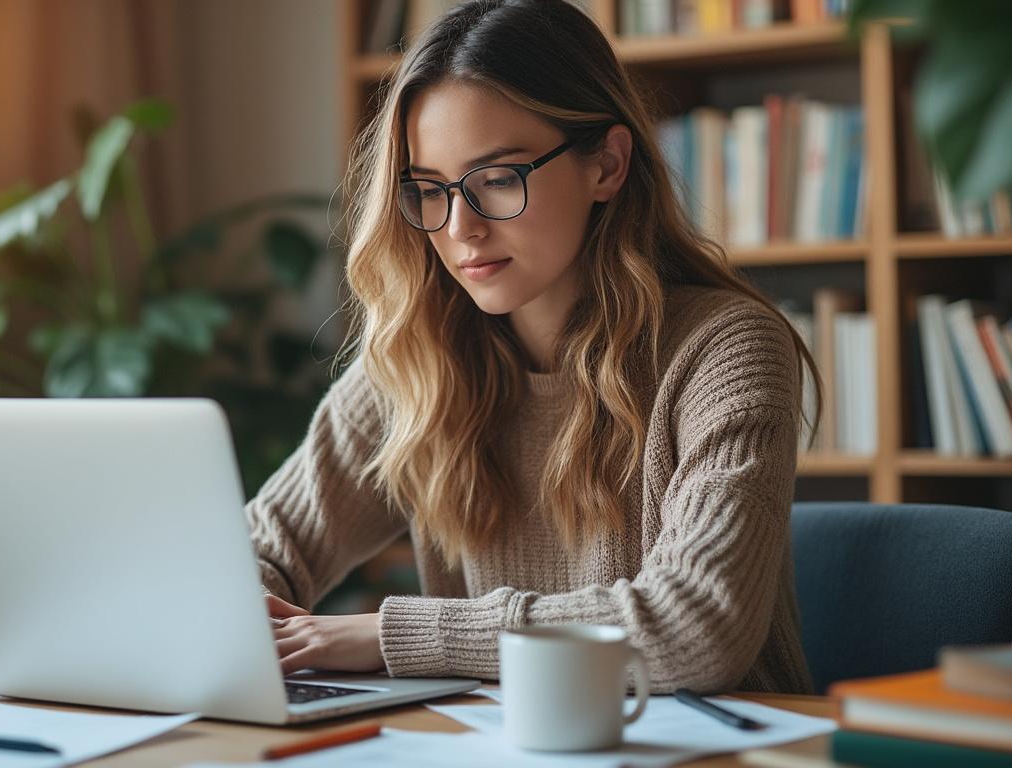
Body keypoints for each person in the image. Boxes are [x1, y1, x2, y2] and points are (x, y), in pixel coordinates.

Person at [250, 0, 819, 695]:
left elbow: (696, 628)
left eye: (496, 179)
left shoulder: (724, 350)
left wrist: (390, 634)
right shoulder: (420, 361)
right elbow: (259, 552)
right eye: (429, 189)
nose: (460, 227)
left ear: (606, 165)